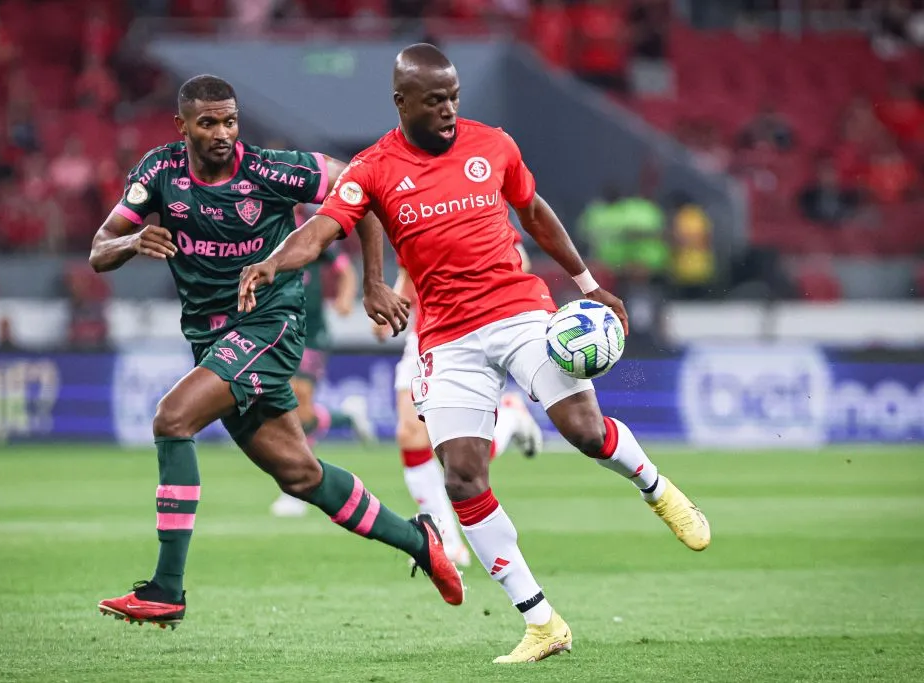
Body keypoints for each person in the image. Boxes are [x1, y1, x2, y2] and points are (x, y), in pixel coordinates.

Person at [238, 44, 711, 664]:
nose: (449, 110)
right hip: (447, 337)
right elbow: (322, 229)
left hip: (519, 311)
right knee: (462, 477)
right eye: (435, 100)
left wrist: (588, 283)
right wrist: (273, 263)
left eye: (454, 97)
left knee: (585, 430)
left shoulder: (493, 145)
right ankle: (542, 623)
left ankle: (657, 489)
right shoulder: (374, 167)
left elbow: (533, 212)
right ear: (402, 102)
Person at [89, 74, 463, 630]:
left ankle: (166, 589)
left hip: (271, 324)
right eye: (208, 123)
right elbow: (99, 250)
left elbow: (362, 191)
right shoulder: (158, 173)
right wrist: (132, 241)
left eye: (230, 121)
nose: (222, 133)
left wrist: (372, 282)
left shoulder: (271, 170)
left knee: (172, 419)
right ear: (182, 126)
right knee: (300, 475)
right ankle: (419, 539)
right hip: (211, 338)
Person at [379, 230, 544, 568]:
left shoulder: (479, 200)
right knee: (410, 434)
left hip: (469, 333)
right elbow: (409, 270)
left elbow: (520, 262)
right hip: (425, 332)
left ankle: (510, 419)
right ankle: (446, 541)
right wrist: (392, 304)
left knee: (459, 451)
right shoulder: (406, 206)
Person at [270, 210, 377, 518]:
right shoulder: (263, 225)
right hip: (275, 331)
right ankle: (347, 417)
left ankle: (295, 488)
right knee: (293, 410)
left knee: (296, 399)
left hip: (311, 333)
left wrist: (345, 297)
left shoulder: (310, 228)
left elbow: (344, 269)